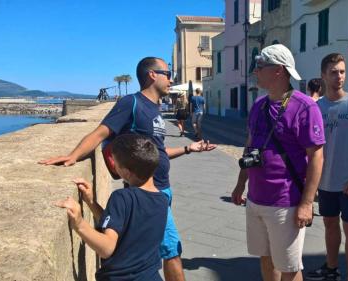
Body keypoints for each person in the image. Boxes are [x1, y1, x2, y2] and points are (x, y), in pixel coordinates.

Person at [40, 56, 217, 281]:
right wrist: (73, 156)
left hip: (161, 191)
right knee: (171, 251)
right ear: (152, 75)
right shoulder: (131, 103)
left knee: (155, 250)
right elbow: (100, 133)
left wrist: (189, 149)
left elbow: (158, 151)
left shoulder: (155, 108)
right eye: (167, 74)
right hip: (147, 192)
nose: (171, 80)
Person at [232, 44, 325, 281]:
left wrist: (306, 203)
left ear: (278, 71)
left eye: (260, 66)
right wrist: (240, 184)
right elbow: (250, 147)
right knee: (265, 256)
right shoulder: (258, 106)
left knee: (290, 267)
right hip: (256, 198)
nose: (255, 71)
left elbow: (317, 156)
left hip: (286, 202)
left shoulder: (305, 107)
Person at [55, 134, 168, 280]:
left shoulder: (122, 197)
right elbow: (124, 228)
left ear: (126, 172)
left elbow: (107, 248)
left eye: (115, 163)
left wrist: (79, 223)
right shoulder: (162, 201)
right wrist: (91, 202)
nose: (113, 165)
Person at [306, 54, 348, 281]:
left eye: (342, 71)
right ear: (324, 75)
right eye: (334, 72)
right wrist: (311, 184)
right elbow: (311, 148)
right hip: (325, 182)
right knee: (329, 225)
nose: (339, 76)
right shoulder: (316, 108)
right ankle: (331, 268)